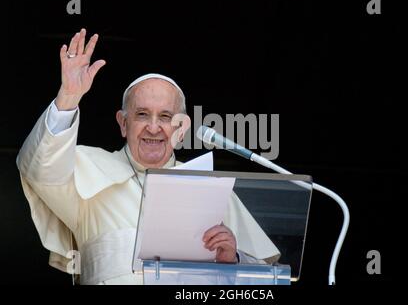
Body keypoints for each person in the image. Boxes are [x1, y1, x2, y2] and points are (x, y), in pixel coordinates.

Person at [17, 29, 280, 285]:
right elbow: (41, 168)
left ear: (181, 128)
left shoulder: (212, 190)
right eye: (142, 114)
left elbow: (267, 279)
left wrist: (233, 260)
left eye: (165, 117)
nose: (153, 127)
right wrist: (68, 98)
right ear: (123, 123)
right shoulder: (87, 171)